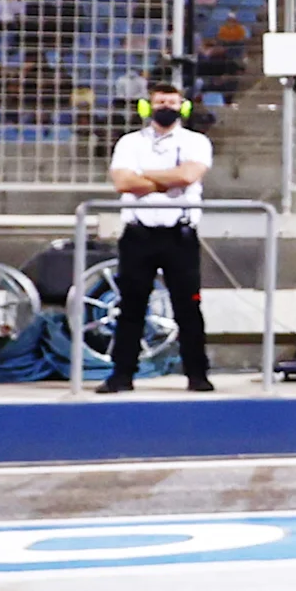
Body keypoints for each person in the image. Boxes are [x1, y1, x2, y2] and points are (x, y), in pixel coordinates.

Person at [101, 68, 216, 394]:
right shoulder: (129, 143)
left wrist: (146, 179)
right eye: (160, 101)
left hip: (179, 235)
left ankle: (197, 374)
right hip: (139, 235)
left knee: (188, 307)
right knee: (131, 307)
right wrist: (169, 178)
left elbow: (189, 175)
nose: (166, 106)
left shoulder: (196, 142)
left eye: (172, 101)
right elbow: (123, 182)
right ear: (147, 106)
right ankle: (122, 375)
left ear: (183, 107)